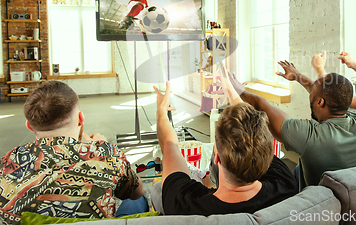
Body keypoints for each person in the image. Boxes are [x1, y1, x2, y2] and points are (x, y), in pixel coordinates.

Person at [0, 81, 145, 224]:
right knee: (138, 201)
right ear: (81, 119)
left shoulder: (5, 163)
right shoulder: (106, 153)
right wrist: (99, 147)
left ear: (29, 126)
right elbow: (137, 192)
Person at [152, 80, 297, 216]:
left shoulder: (183, 203)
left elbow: (170, 146)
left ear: (217, 156)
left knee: (157, 189)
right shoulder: (285, 182)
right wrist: (230, 88)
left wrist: (161, 111)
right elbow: (254, 130)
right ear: (268, 153)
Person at [226, 61, 356, 191]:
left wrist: (238, 89)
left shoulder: (311, 137)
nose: (310, 95)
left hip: (319, 208)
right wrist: (297, 76)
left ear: (320, 102)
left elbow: (261, 105)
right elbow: (330, 95)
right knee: (297, 169)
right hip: (355, 195)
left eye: (312, 95)